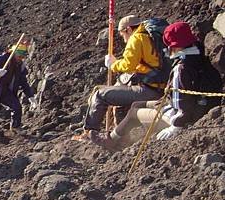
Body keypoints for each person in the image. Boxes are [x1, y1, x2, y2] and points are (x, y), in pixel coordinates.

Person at [90, 21, 217, 150]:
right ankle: (121, 137)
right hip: (200, 106)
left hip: (183, 116)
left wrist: (175, 127)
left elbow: (183, 105)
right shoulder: (199, 56)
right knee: (136, 104)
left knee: (134, 113)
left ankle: (110, 141)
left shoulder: (181, 69)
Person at [73, 15, 165, 141]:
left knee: (100, 95)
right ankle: (120, 135)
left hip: (150, 90)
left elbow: (128, 65)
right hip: (162, 87)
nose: (124, 39)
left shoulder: (137, 38)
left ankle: (89, 134)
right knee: (120, 89)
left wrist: (113, 64)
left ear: (128, 29)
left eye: (122, 35)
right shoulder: (153, 36)